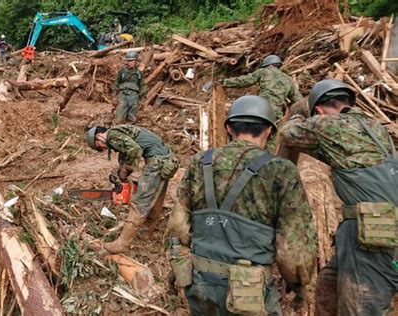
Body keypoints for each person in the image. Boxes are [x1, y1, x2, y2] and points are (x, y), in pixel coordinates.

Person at [165, 95, 317, 315]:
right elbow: (293, 250)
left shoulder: (201, 162)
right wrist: (300, 285)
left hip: (200, 284)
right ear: (268, 131)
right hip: (250, 294)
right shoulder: (280, 170)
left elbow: (178, 225)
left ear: (229, 128)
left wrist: (178, 268)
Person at [279, 79, 398, 315]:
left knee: (362, 307)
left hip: (371, 233)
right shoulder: (373, 127)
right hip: (376, 227)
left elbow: (288, 135)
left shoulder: (328, 124)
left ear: (320, 111)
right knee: (328, 285)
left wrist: (296, 115)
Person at [86, 124, 179, 253]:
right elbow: (129, 150)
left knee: (140, 201)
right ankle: (145, 232)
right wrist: (123, 171)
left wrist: (126, 169)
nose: (103, 148)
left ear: (98, 137)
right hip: (166, 159)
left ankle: (122, 243)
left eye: (99, 147)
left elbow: (135, 150)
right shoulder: (120, 132)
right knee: (156, 197)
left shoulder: (112, 135)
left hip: (157, 161)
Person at [223, 55, 303, 152]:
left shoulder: (264, 72)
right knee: (271, 141)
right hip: (276, 114)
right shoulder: (288, 79)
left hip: (261, 110)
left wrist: (225, 82)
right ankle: (267, 160)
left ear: (267, 65)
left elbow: (245, 80)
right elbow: (298, 100)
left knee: (251, 134)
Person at [113, 51, 145, 124]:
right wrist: (114, 95)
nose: (130, 62)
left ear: (135, 61)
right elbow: (116, 83)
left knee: (132, 116)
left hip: (134, 95)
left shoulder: (139, 73)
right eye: (128, 61)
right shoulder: (122, 71)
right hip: (123, 94)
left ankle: (129, 129)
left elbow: (142, 85)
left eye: (132, 60)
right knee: (119, 116)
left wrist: (142, 97)